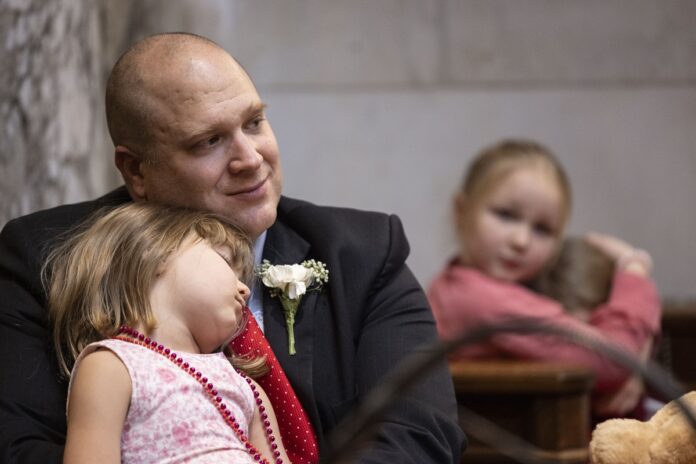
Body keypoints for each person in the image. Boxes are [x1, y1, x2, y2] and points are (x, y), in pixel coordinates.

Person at [0, 32, 464, 463]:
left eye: (254, 122)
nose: (250, 159)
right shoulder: (47, 257)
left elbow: (420, 434)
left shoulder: (364, 253)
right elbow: (20, 445)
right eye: (209, 142)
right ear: (137, 169)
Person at [45, 203, 289, 463]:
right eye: (226, 261)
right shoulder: (111, 366)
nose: (245, 291)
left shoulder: (246, 386)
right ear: (155, 252)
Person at [427, 138, 661, 404]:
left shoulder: (452, 285)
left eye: (542, 229)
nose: (521, 241)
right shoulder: (483, 300)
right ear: (461, 210)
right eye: (505, 215)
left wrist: (633, 364)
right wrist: (634, 269)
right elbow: (616, 359)